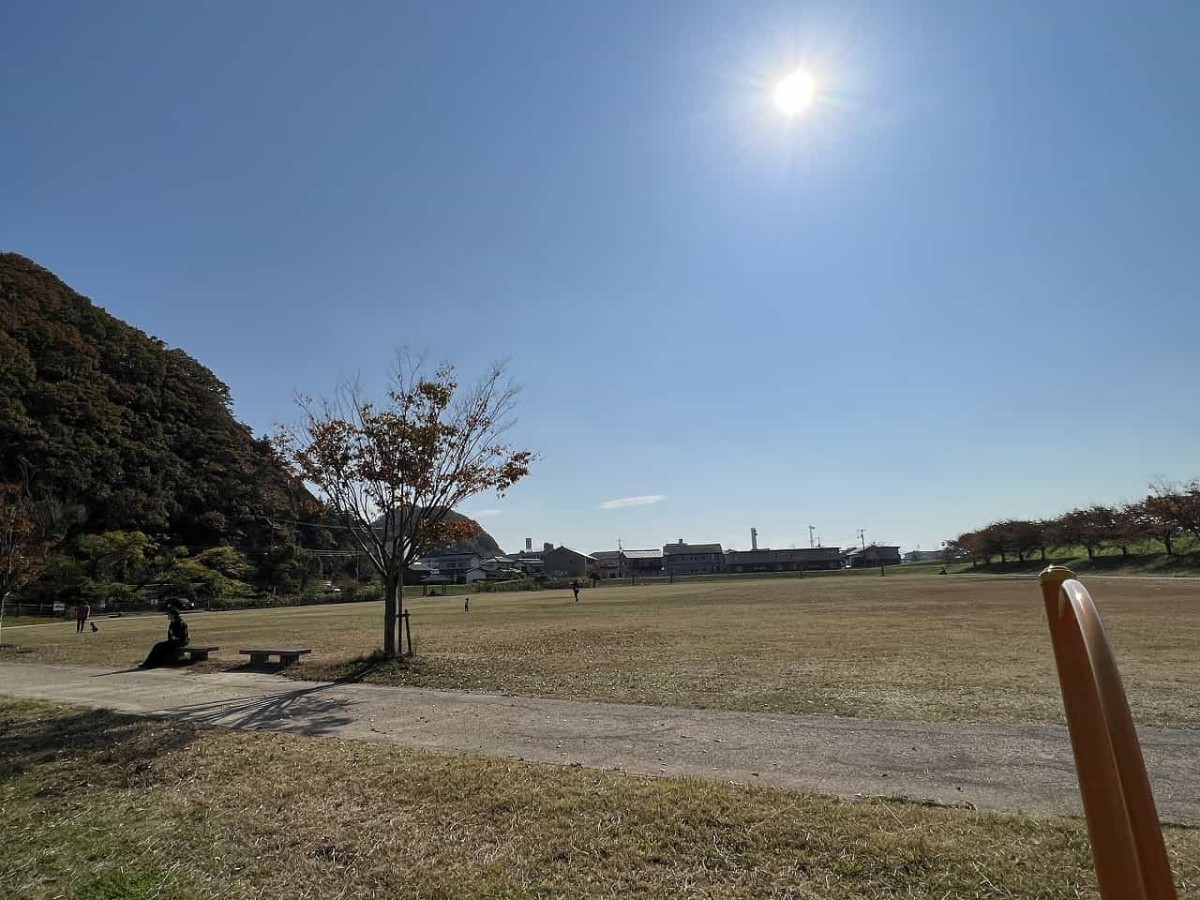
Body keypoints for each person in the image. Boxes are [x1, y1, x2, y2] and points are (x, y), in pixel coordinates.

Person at [138, 603, 190, 668]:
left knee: (159, 647)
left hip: (180, 643)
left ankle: (154, 664)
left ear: (173, 615)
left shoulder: (180, 623)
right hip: (173, 642)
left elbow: (184, 636)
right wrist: (172, 638)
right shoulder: (173, 622)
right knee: (158, 646)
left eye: (169, 614)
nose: (168, 615)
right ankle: (149, 663)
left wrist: (175, 638)